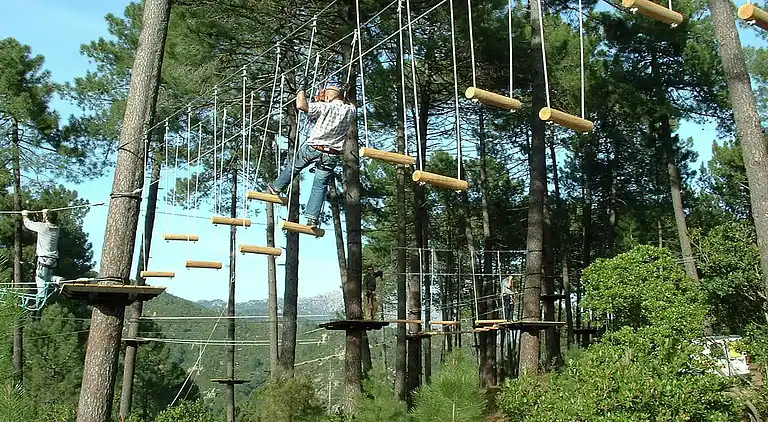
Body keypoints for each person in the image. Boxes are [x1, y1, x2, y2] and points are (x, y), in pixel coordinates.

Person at [268, 86, 356, 228]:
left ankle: (277, 187)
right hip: (332, 153)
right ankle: (312, 218)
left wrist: (301, 91)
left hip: (314, 147)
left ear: (327, 97)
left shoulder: (322, 107)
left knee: (294, 167)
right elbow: (349, 103)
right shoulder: (350, 110)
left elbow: (301, 105)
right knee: (320, 186)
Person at [21, 209, 60, 309]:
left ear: (46, 217)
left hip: (44, 260)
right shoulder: (56, 228)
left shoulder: (43, 227)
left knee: (40, 278)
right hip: (53, 259)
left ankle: (41, 299)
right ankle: (58, 280)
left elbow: (28, 224)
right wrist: (45, 213)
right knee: (47, 278)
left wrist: (24, 215)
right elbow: (47, 221)